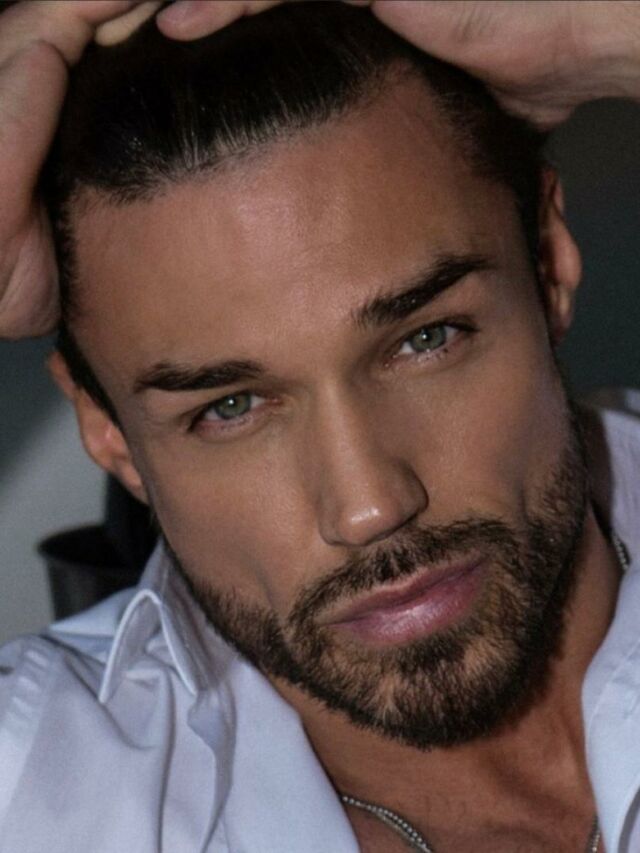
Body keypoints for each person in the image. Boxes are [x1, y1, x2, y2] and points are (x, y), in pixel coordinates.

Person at [0, 2, 638, 852]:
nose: (370, 506)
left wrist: (612, 34)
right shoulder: (33, 787)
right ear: (108, 431)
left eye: (426, 340)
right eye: (230, 407)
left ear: (549, 264)